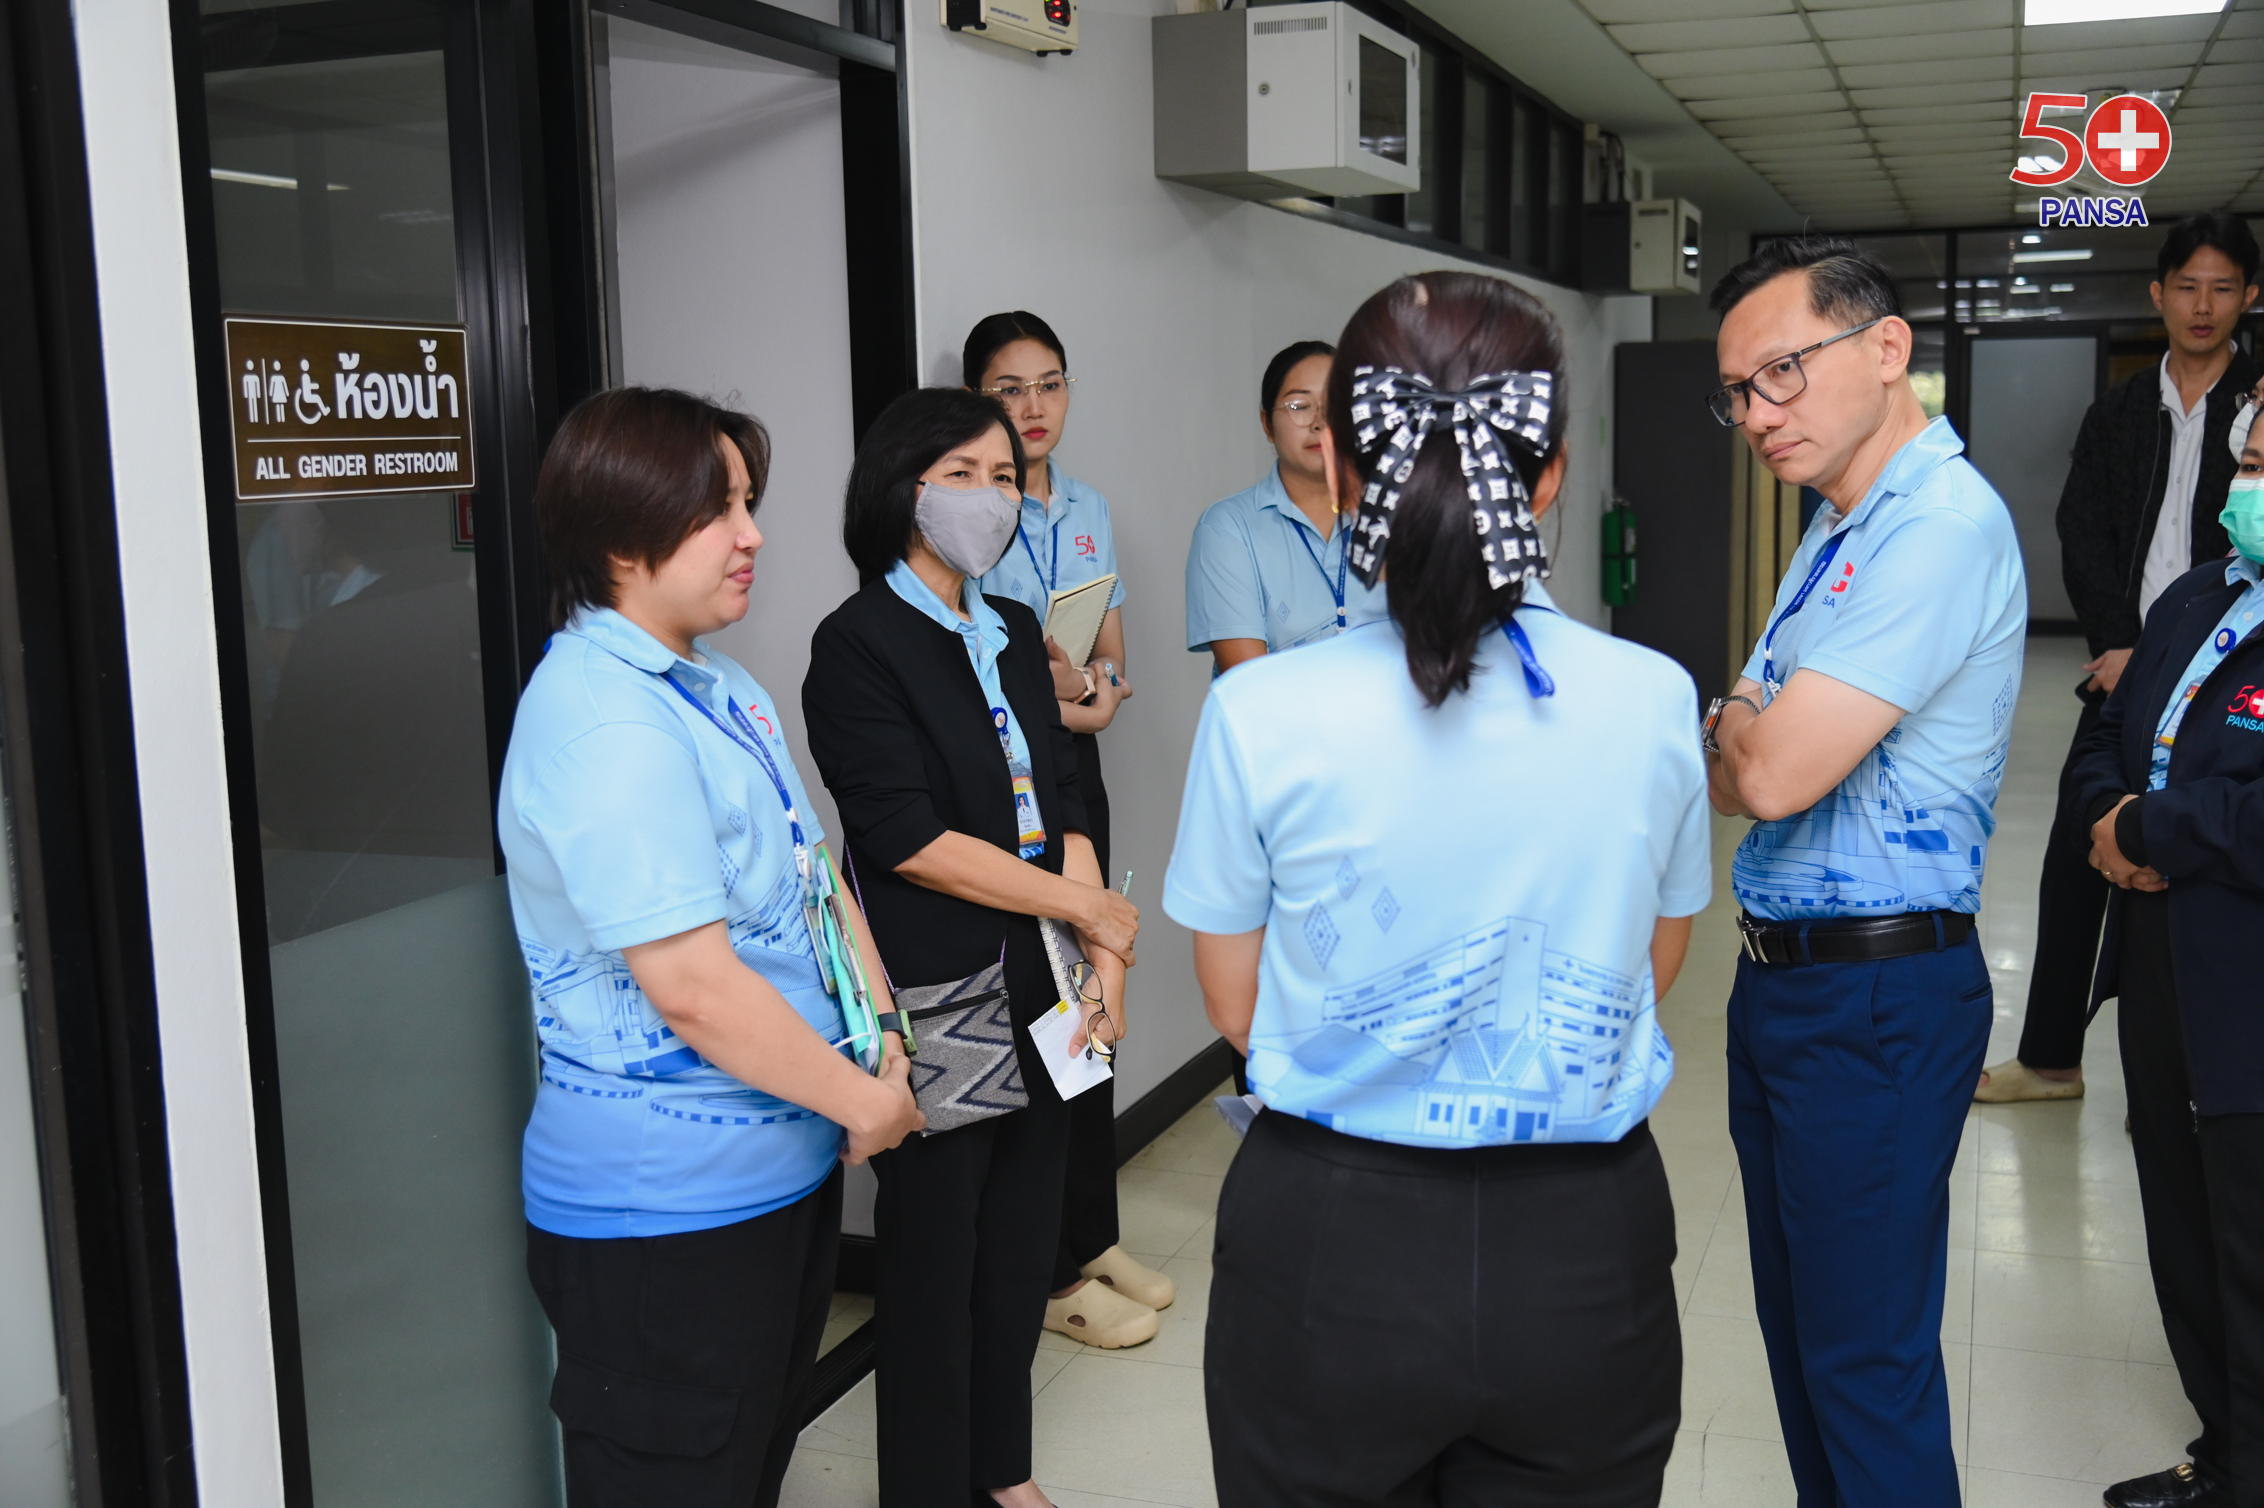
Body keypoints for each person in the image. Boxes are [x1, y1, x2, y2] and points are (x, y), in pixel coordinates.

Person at [1166, 271, 1710, 1506]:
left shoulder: (1259, 709)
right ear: (1550, 473)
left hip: (1327, 1246)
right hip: (1582, 1251)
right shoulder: (1651, 696)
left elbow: (1234, 1003)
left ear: (1341, 467)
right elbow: (1653, 961)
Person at [499, 387, 924, 1508]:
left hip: (773, 1176)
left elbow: (814, 876)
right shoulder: (605, 721)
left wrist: (880, 1032)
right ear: (619, 539)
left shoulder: (716, 686)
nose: (753, 536)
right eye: (717, 510)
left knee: (744, 1468)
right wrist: (863, 1100)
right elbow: (690, 988)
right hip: (666, 1215)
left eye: (748, 503)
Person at [1702, 238, 2026, 1506]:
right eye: (1737, 391)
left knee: (1862, 1364)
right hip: (1786, 982)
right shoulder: (1840, 521)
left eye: (1780, 371)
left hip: (1875, 1000)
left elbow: (1766, 770)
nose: (1756, 413)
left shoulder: (1936, 526)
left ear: (1885, 347)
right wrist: (1747, 729)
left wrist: (1745, 725)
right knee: (1802, 1344)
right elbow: (1737, 748)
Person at [801, 386, 1141, 1508]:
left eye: (1003, 478)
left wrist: (1095, 947)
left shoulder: (1010, 629)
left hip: (1046, 976)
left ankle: (1004, 1472)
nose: (988, 497)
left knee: (1021, 1248)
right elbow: (906, 839)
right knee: (937, 1258)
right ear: (902, 490)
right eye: (961, 475)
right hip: (943, 988)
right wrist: (1086, 910)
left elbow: (1065, 793)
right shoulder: (858, 642)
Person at [1980, 211, 2261, 1106]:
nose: (2203, 306)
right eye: (2187, 287)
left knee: (2202, 861)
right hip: (2127, 668)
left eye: (2223, 288)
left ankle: (2198, 1079)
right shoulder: (2121, 410)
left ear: (2249, 297)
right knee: (2080, 845)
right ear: (2158, 295)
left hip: (2232, 670)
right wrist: (2118, 643)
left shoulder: (2257, 404)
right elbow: (2083, 530)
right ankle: (2051, 1058)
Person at [959, 311, 1176, 1345]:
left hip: (1074, 765)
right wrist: (1065, 698)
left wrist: (1096, 690)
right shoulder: (969, 513)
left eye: (1049, 383)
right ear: (975, 402)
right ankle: (1045, 1273)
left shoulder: (1087, 506)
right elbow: (977, 667)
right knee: (1034, 1006)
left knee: (1092, 989)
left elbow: (1109, 649)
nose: (1033, 406)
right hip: (1003, 774)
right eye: (1009, 389)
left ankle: (1090, 1235)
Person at [2073, 387, 2264, 1508]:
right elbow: (2109, 728)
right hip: (2156, 957)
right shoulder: (2197, 595)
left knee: (2249, 1235)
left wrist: (2151, 829)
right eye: (2252, 461)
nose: (2252, 486)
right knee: (2182, 1221)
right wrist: (2107, 814)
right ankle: (2227, 1456)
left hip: (2245, 979)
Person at [1185, 339, 1386, 675]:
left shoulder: (1393, 517)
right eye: (1299, 406)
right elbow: (1250, 683)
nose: (1320, 423)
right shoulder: (1227, 529)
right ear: (1267, 424)